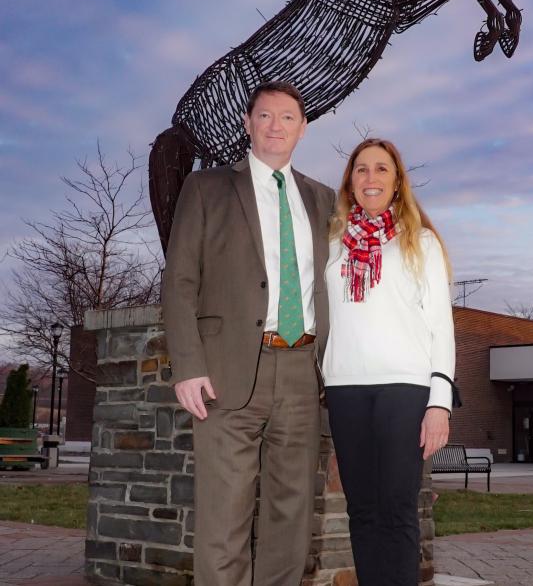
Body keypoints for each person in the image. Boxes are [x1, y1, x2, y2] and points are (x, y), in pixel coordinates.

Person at [162, 80, 335, 586]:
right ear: (248, 123)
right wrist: (188, 367)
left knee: (291, 515)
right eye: (265, 116)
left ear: (302, 129)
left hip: (303, 372)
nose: (275, 125)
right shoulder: (207, 188)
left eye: (287, 117)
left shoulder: (322, 200)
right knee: (223, 517)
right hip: (226, 373)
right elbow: (180, 280)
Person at [322, 138, 456, 585]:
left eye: (382, 169)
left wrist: (440, 402)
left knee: (397, 509)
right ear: (350, 182)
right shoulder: (335, 244)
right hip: (345, 388)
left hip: (405, 388)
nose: (371, 178)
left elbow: (441, 325)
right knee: (361, 510)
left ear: (397, 182)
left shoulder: (421, 242)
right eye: (362, 169)